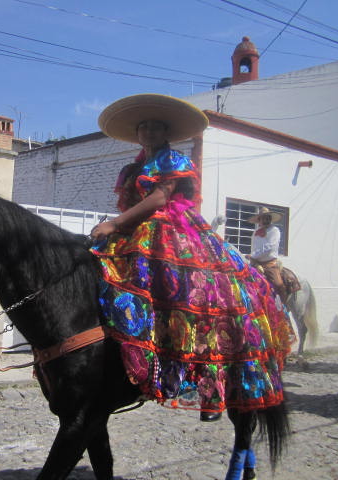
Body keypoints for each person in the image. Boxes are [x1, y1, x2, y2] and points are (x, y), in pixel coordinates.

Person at [90, 93, 294, 424]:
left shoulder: (175, 161)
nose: (149, 132)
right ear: (138, 133)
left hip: (175, 231)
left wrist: (114, 224)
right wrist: (117, 229)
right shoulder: (133, 168)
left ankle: (208, 384)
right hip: (134, 230)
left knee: (195, 293)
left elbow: (160, 197)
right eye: (144, 127)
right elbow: (130, 205)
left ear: (166, 132)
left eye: (156, 127)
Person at [247, 207, 288, 305]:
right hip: (255, 263)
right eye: (263, 218)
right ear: (259, 220)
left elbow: (269, 247)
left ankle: (282, 307)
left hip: (269, 264)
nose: (266, 220)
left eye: (268, 218)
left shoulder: (274, 231)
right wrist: (252, 258)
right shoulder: (255, 232)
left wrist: (253, 255)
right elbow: (254, 247)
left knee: (278, 284)